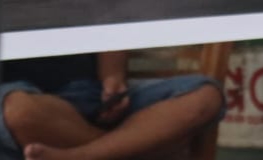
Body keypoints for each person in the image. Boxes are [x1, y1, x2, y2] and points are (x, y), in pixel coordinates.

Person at [0, 50, 224, 160]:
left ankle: (80, 156)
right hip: (24, 97)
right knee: (19, 111)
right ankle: (131, 145)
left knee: (205, 96)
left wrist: (112, 77)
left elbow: (108, 17)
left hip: (96, 93)